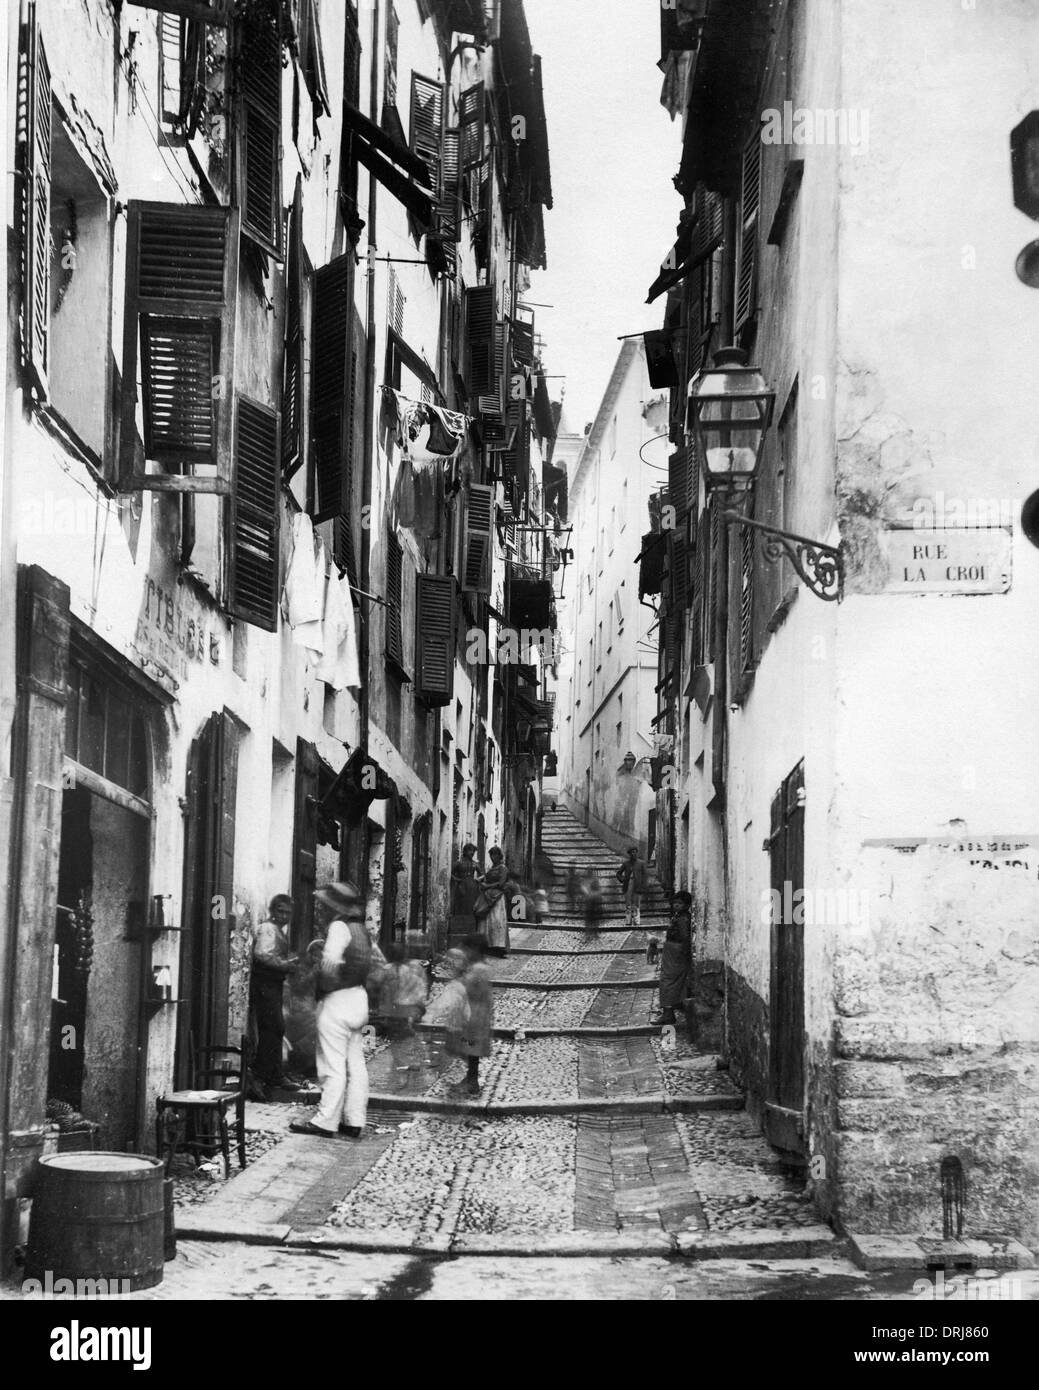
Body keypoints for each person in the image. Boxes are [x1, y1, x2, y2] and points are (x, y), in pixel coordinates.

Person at [290, 882, 372, 1139]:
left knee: (332, 1065)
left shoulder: (339, 927)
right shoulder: (361, 930)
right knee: (356, 1064)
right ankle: (354, 1120)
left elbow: (330, 964)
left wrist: (321, 983)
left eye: (324, 905)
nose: (321, 910)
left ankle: (326, 1121)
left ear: (333, 906)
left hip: (338, 1001)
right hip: (359, 998)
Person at [250, 895, 301, 1094]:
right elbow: (262, 955)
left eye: (287, 912)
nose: (284, 916)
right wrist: (286, 965)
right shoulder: (268, 929)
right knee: (272, 1028)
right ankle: (261, 1076)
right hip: (265, 985)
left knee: (276, 1029)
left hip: (273, 985)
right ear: (272, 911)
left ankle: (274, 1075)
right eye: (280, 911)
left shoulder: (279, 931)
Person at [376, 943, 428, 1091]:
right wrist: (419, 1007)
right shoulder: (408, 971)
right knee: (405, 1040)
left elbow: (381, 990)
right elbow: (418, 990)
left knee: (397, 1044)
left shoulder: (386, 971)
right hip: (407, 1011)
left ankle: (403, 1072)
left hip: (394, 1012)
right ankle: (411, 1062)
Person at [423, 948, 471, 1078]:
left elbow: (441, 1006)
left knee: (456, 1053)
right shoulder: (462, 983)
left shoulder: (455, 986)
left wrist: (427, 1016)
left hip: (456, 1026)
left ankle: (466, 1077)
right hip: (460, 1025)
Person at [458, 935, 495, 1095]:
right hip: (474, 1013)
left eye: (467, 950)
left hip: (476, 1014)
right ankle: (469, 1077)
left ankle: (473, 1081)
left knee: (472, 1049)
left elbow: (470, 987)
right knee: (469, 1047)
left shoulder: (480, 969)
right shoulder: (478, 966)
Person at [653, 890, 694, 1026]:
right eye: (675, 903)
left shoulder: (683, 919)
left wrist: (684, 952)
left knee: (667, 981)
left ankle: (668, 1014)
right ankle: (669, 1011)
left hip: (676, 951)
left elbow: (685, 937)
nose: (676, 905)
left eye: (680, 903)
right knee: (670, 981)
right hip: (673, 950)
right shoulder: (679, 916)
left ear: (687, 905)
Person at [473, 845, 510, 955]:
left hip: (497, 897)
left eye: (494, 855)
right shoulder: (493, 868)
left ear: (499, 856)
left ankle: (498, 946)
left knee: (497, 920)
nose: (492, 857)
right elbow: (487, 876)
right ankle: (488, 945)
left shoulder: (503, 868)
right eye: (491, 855)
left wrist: (487, 886)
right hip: (488, 896)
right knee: (486, 921)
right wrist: (482, 878)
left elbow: (501, 883)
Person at [617, 846, 648, 927]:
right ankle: (628, 921)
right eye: (631, 852)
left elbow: (645, 876)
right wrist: (622, 879)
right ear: (629, 854)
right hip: (628, 886)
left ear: (637, 853)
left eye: (635, 852)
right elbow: (618, 873)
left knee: (637, 904)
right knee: (628, 904)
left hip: (637, 886)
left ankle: (637, 921)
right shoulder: (626, 864)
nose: (633, 854)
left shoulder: (641, 863)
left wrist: (643, 887)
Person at [450, 843, 480, 923]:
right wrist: (457, 880)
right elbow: (450, 873)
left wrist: (478, 880)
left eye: (473, 851)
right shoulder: (459, 863)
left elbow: (483, 874)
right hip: (461, 886)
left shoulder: (475, 863)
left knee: (471, 906)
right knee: (461, 905)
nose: (472, 853)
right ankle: (459, 925)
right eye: (470, 850)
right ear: (465, 851)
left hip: (473, 887)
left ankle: (471, 926)